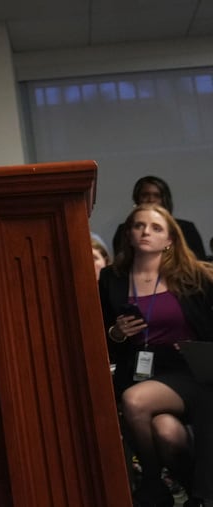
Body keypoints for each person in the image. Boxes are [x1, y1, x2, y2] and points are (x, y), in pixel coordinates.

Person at [100, 204, 213, 507]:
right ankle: (194, 494)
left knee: (135, 401)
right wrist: (116, 333)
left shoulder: (194, 276)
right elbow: (98, 334)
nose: (146, 231)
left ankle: (151, 484)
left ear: (170, 240)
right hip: (139, 367)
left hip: (189, 368)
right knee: (167, 433)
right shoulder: (112, 279)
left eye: (155, 227)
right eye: (139, 225)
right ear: (128, 233)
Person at [113, 175, 208, 262]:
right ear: (137, 199)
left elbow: (199, 264)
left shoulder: (185, 228)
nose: (151, 199)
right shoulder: (124, 229)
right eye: (145, 195)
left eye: (157, 195)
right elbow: (121, 263)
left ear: (165, 200)